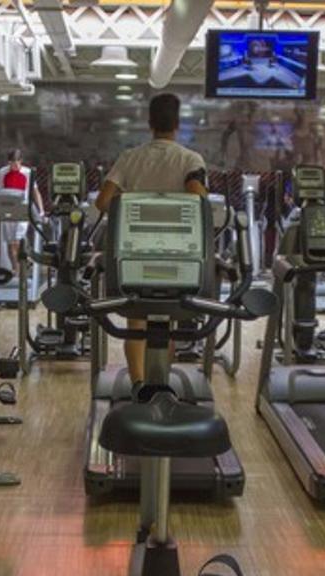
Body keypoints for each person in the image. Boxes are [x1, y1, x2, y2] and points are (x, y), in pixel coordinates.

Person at [95, 93, 208, 385]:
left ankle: (138, 385)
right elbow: (199, 199)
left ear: (150, 123)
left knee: (137, 322)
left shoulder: (130, 157)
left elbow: (103, 201)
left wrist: (134, 207)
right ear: (177, 124)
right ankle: (160, 383)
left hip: (134, 252)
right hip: (176, 254)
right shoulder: (189, 159)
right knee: (165, 321)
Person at [0, 149, 45, 271]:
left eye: (16, 162)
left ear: (21, 161)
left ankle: (24, 264)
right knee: (10, 244)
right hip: (6, 210)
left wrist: (41, 210)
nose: (14, 165)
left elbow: (35, 192)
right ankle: (16, 270)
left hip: (22, 210)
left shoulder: (27, 173)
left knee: (17, 241)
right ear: (8, 162)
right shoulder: (2, 173)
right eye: (11, 163)